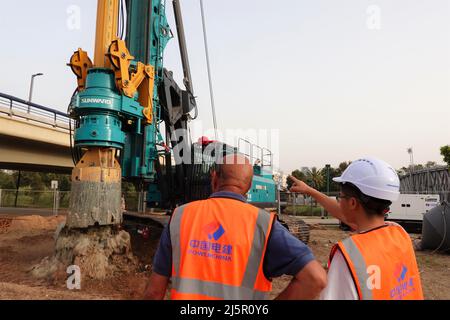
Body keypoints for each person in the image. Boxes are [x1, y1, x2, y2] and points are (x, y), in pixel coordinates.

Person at [145, 153, 326, 300]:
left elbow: (154, 293)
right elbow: (315, 278)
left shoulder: (180, 217)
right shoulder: (264, 225)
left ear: (214, 178)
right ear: (248, 186)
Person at [289, 157, 423, 300]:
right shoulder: (399, 233)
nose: (339, 201)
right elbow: (348, 215)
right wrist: (310, 190)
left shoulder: (349, 256)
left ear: (352, 203)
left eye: (340, 197)